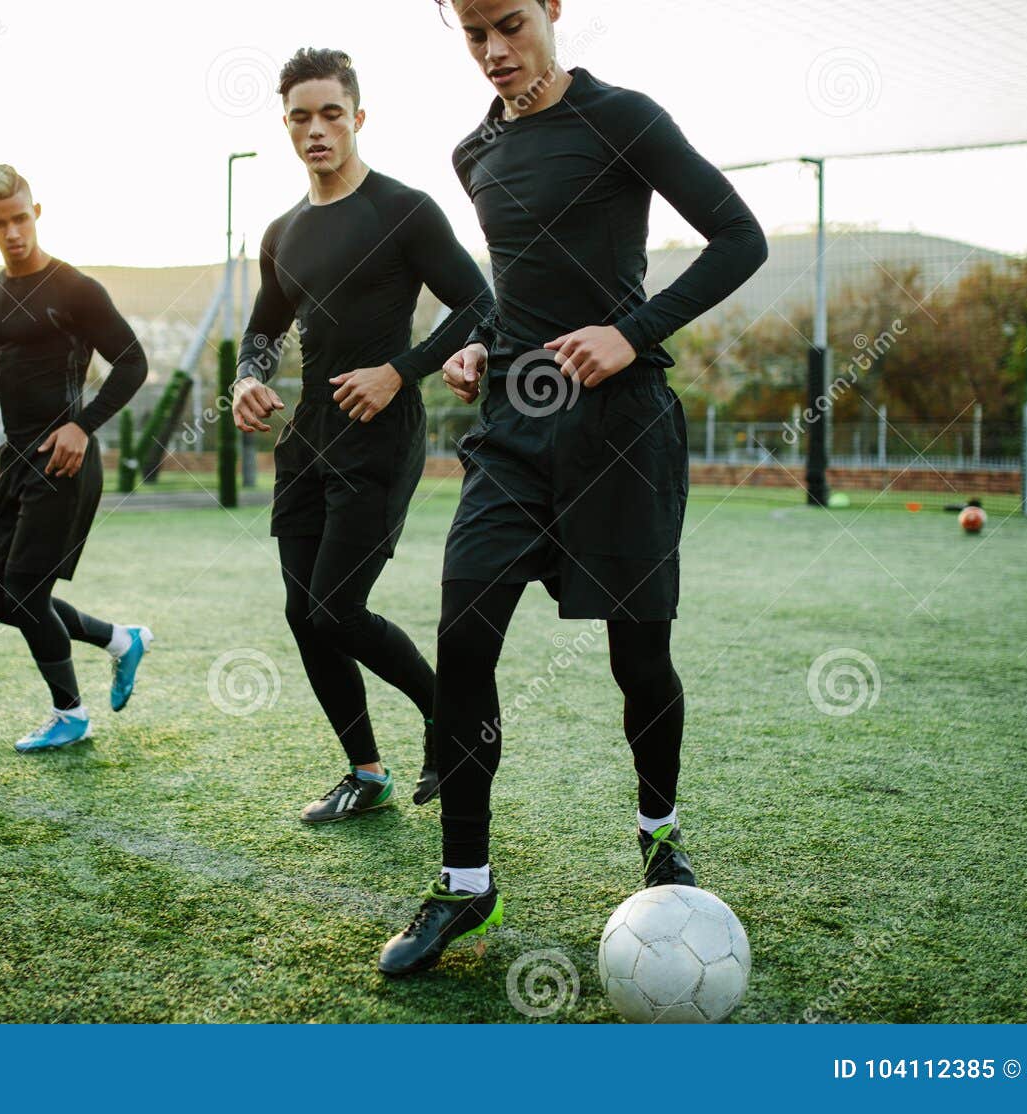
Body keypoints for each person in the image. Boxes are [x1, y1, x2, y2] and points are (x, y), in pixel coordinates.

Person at [379, 0, 769, 975]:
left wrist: (629, 331)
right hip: (513, 427)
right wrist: (478, 343)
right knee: (463, 633)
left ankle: (660, 832)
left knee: (638, 660)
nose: (494, 51)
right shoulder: (473, 153)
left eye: (509, 23)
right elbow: (519, 283)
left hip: (624, 429)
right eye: (473, 34)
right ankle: (463, 882)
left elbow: (738, 238)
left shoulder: (624, 118)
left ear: (553, 9)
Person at [232, 48, 493, 822]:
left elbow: (480, 304)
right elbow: (262, 330)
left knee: (335, 607)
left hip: (381, 433)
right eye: (301, 117)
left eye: (331, 114)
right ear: (286, 125)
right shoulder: (281, 232)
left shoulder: (404, 210)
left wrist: (401, 371)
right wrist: (248, 376)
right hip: (307, 436)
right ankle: (366, 772)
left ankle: (453, 719)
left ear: (357, 118)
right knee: (300, 609)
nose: (316, 130)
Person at [0, 165, 153, 753]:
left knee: (26, 592)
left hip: (64, 460)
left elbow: (132, 363)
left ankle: (70, 715)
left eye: (20, 218)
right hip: (15, 460)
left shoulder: (76, 288)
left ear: (37, 212)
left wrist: (82, 426)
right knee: (3, 600)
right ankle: (121, 641)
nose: (12, 232)